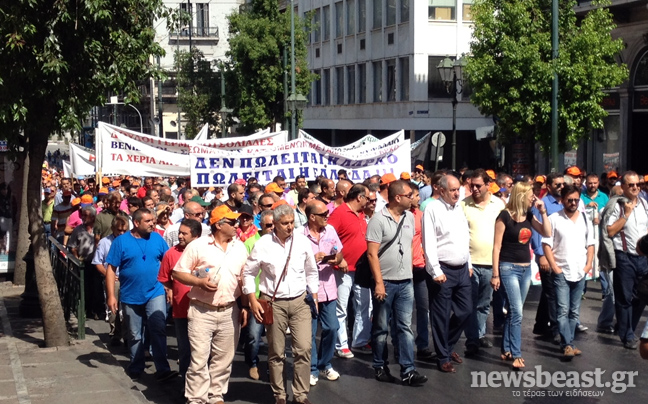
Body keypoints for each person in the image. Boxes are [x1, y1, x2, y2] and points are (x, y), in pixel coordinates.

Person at [172, 206, 249, 404]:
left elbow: (245, 279)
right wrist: (199, 282)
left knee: (223, 358)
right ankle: (197, 398)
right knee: (199, 359)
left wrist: (246, 306)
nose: (236, 226)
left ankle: (216, 395)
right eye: (231, 222)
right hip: (201, 310)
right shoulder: (198, 246)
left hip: (229, 309)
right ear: (218, 225)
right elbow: (178, 272)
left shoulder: (239, 247)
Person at [243, 204, 319, 404]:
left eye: (292, 222)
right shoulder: (263, 244)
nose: (289, 227)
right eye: (285, 223)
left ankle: (301, 396)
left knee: (303, 348)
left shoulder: (302, 242)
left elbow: (311, 270)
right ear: (274, 224)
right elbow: (248, 273)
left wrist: (315, 295)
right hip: (273, 303)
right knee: (276, 352)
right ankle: (279, 395)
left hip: (300, 301)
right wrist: (252, 298)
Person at [105, 208, 177, 381]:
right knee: (134, 333)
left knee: (158, 328)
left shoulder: (157, 239)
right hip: (130, 295)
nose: (153, 223)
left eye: (153, 220)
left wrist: (169, 287)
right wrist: (111, 296)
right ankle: (136, 365)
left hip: (155, 291)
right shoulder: (121, 242)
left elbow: (167, 262)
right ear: (136, 223)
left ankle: (163, 368)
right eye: (148, 221)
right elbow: (110, 269)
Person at [368, 180, 427, 386]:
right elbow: (372, 254)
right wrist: (379, 283)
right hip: (386, 282)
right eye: (410, 195)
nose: (414, 198)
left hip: (406, 282)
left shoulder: (410, 217)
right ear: (398, 198)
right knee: (381, 328)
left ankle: (408, 370)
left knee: (404, 327)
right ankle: (380, 365)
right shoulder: (378, 220)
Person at [491, 182, 551, 370]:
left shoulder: (530, 215)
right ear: (520, 196)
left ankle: (506, 348)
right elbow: (496, 247)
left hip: (526, 269)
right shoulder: (505, 216)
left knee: (514, 311)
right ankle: (516, 354)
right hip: (508, 267)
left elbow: (547, 232)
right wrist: (495, 274)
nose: (533, 199)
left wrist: (542, 211)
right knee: (517, 312)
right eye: (530, 196)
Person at [422, 174, 472, 374]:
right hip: (442, 269)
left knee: (466, 310)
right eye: (452, 190)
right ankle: (443, 356)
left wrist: (468, 262)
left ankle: (448, 346)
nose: (456, 193)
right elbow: (429, 242)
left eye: (458, 189)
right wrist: (435, 270)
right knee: (441, 315)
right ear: (441, 190)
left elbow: (463, 238)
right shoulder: (432, 209)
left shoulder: (458, 207)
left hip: (461, 269)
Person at [542, 185, 595, 358]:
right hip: (561, 271)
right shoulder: (554, 218)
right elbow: (546, 245)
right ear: (563, 199)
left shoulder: (585, 219)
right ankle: (567, 344)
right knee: (562, 310)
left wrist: (588, 266)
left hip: (580, 271)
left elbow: (591, 244)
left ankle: (569, 343)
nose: (573, 203)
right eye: (569, 200)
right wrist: (555, 267)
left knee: (574, 311)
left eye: (576, 200)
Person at [461, 169, 505, 355]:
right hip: (469, 264)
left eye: (479, 186)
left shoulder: (499, 204)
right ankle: (471, 338)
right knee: (468, 304)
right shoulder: (463, 205)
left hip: (490, 263)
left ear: (488, 185)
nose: (475, 189)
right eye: (472, 186)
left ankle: (479, 335)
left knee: (484, 303)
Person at [304, 200, 345, 386]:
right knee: (309, 333)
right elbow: (296, 262)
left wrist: (335, 259)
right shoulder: (300, 235)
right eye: (323, 214)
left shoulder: (330, 231)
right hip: (308, 291)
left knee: (331, 327)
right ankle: (312, 368)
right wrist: (313, 259)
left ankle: (324, 363)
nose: (327, 217)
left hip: (328, 288)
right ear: (312, 217)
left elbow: (340, 253)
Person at [327, 183, 371, 358]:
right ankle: (341, 344)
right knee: (341, 308)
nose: (369, 201)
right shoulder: (339, 213)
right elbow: (328, 237)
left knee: (364, 305)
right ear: (359, 197)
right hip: (343, 270)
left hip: (362, 269)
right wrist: (340, 257)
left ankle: (359, 340)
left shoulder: (362, 214)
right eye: (367, 197)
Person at [157, 218, 202, 385]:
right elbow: (164, 278)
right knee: (185, 349)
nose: (180, 236)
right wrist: (175, 289)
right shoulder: (171, 253)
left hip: (203, 309)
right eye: (180, 233)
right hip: (181, 310)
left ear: (196, 236)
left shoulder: (205, 251)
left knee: (202, 350)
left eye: (185, 233)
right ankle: (186, 385)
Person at [606, 171, 648, 349]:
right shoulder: (617, 205)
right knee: (624, 297)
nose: (635, 187)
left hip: (643, 258)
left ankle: (626, 325)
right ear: (622, 187)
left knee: (643, 295)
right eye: (631, 185)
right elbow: (610, 231)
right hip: (624, 257)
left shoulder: (645, 204)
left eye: (638, 184)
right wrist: (626, 215)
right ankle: (627, 335)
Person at [531, 173, 565, 341]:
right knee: (553, 293)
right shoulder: (542, 204)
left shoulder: (567, 202)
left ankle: (540, 325)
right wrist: (541, 255)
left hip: (562, 254)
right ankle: (556, 329)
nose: (561, 187)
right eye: (557, 185)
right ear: (549, 187)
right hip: (547, 254)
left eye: (562, 184)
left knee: (548, 291)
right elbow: (537, 232)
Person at [242, 210, 275, 380]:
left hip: (275, 297)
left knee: (275, 337)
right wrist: (246, 302)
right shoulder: (250, 243)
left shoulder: (281, 242)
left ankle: (273, 366)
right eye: (268, 225)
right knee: (254, 335)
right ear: (260, 225)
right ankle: (252, 363)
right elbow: (245, 272)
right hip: (257, 297)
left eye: (274, 224)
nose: (272, 228)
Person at [92, 215, 129, 346]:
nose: (122, 233)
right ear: (113, 228)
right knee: (113, 309)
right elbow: (98, 263)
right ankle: (115, 333)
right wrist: (109, 275)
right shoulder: (104, 242)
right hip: (114, 279)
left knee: (126, 310)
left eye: (124, 230)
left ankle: (126, 335)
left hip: (127, 279)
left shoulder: (130, 241)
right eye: (119, 230)